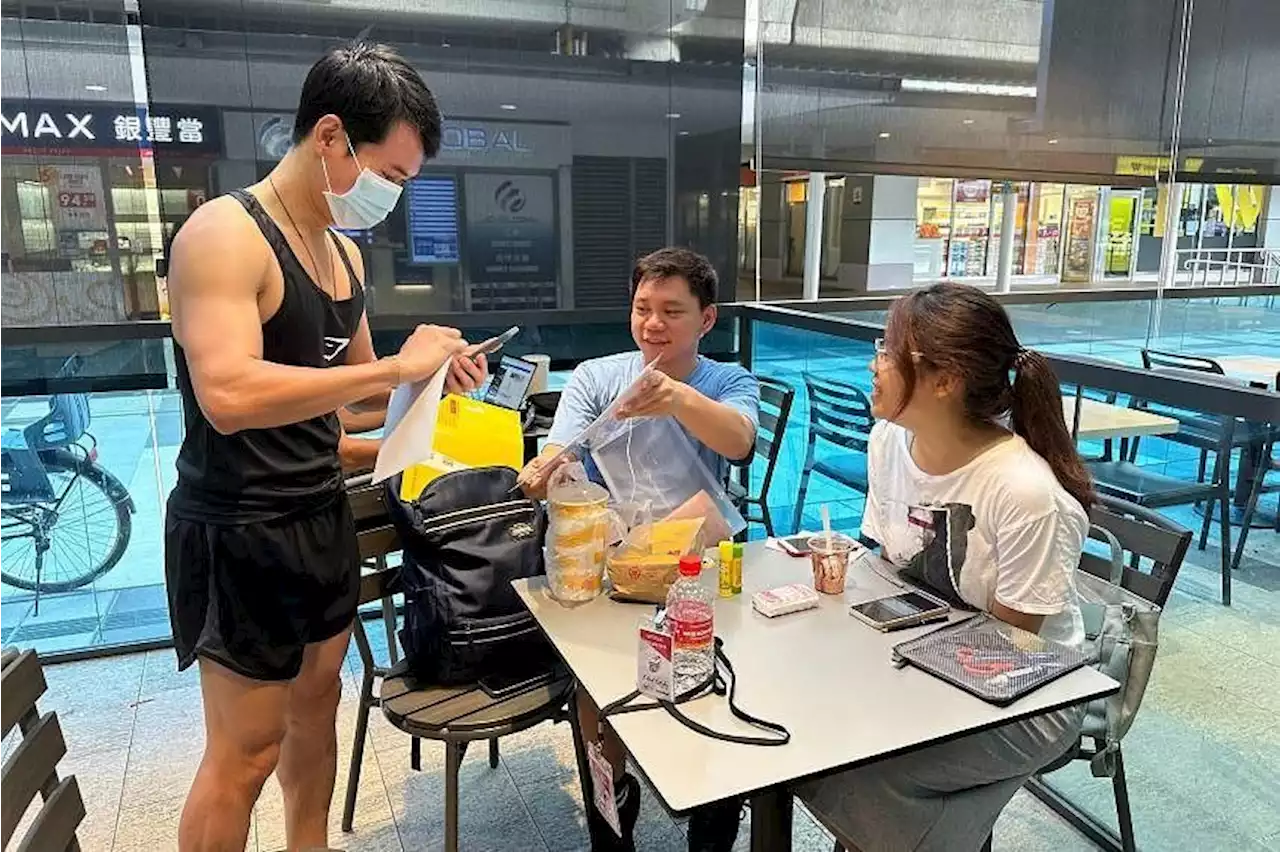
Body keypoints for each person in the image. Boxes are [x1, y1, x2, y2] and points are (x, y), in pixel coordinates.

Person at [164, 43, 486, 852]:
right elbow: (230, 395)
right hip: (239, 527)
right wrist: (392, 365)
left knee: (315, 717)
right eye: (394, 175)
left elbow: (359, 396)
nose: (396, 197)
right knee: (244, 753)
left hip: (319, 515)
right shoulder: (224, 235)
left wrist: (430, 381)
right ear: (332, 138)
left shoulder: (342, 252)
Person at [791, 282, 1093, 852]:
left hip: (1031, 693)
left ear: (945, 379)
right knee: (812, 735)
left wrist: (881, 700)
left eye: (888, 350)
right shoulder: (889, 441)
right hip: (926, 652)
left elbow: (1008, 650)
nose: (873, 363)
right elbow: (888, 573)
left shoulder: (1024, 493)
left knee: (856, 769)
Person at [518, 247, 760, 852]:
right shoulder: (599, 377)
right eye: (643, 308)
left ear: (706, 320)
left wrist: (678, 399)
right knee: (601, 700)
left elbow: (739, 442)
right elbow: (562, 450)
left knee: (712, 695)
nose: (654, 323)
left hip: (697, 566)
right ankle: (611, 822)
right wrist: (546, 469)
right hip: (614, 566)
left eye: (672, 311)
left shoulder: (727, 380)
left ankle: (713, 823)